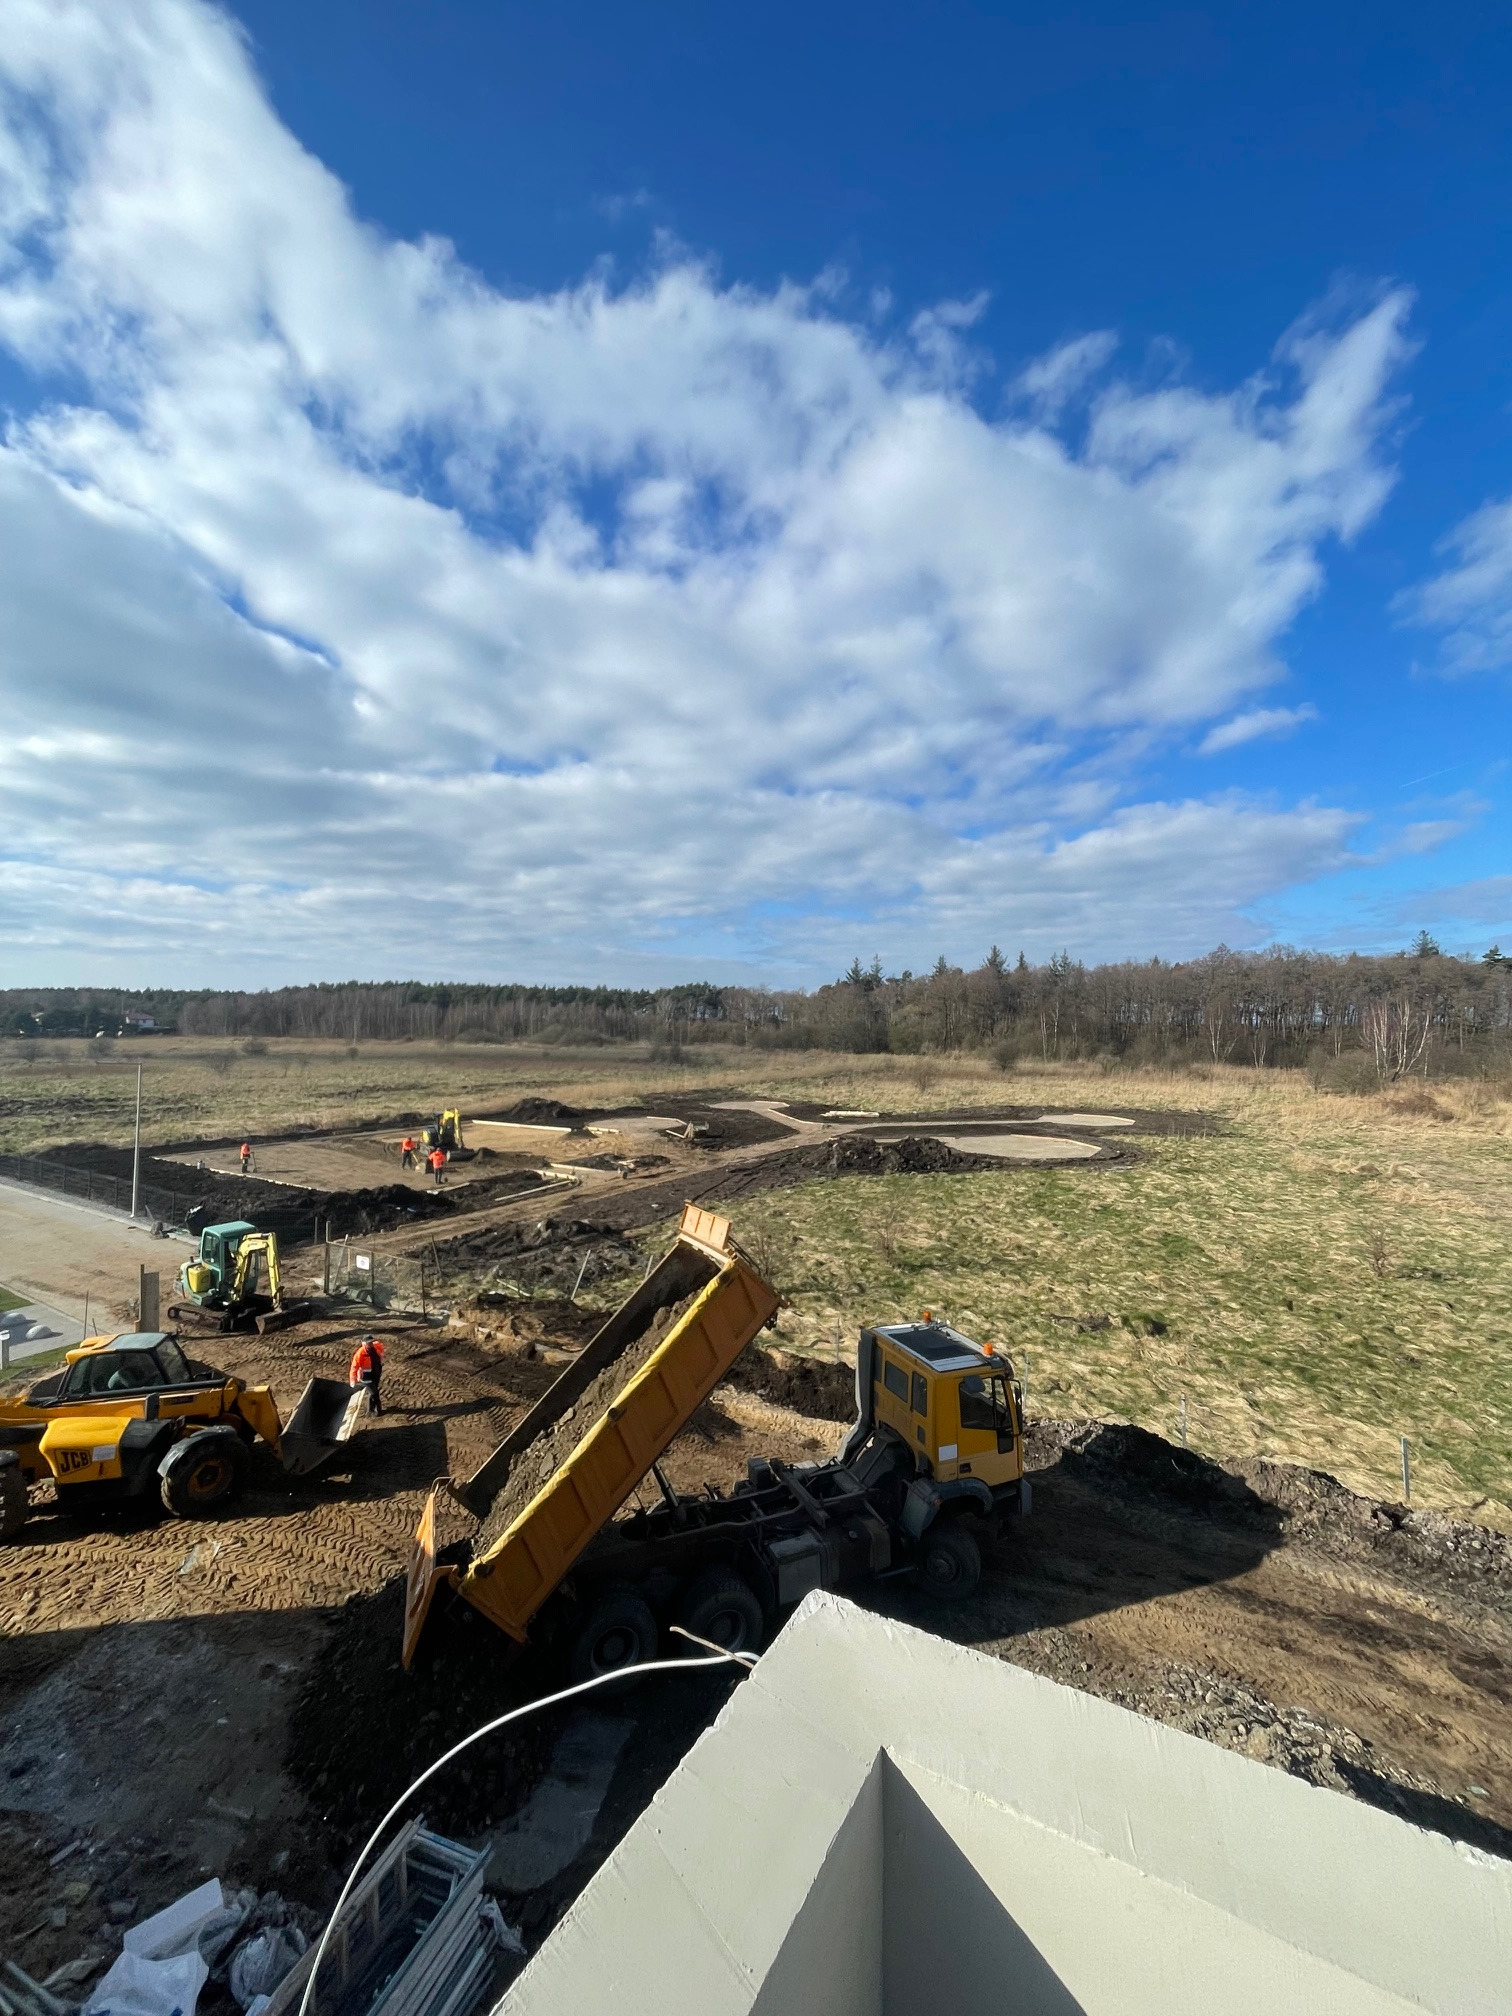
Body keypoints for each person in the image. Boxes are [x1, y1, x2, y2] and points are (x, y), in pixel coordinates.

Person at [349, 1333, 386, 1414]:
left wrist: (382, 1354)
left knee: (373, 1391)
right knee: (374, 1392)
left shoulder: (375, 1347)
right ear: (364, 1344)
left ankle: (372, 1410)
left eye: (371, 1342)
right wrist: (353, 1380)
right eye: (369, 1343)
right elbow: (354, 1367)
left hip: (375, 1373)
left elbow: (380, 1347)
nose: (370, 1344)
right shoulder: (360, 1353)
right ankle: (376, 1409)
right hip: (365, 1377)